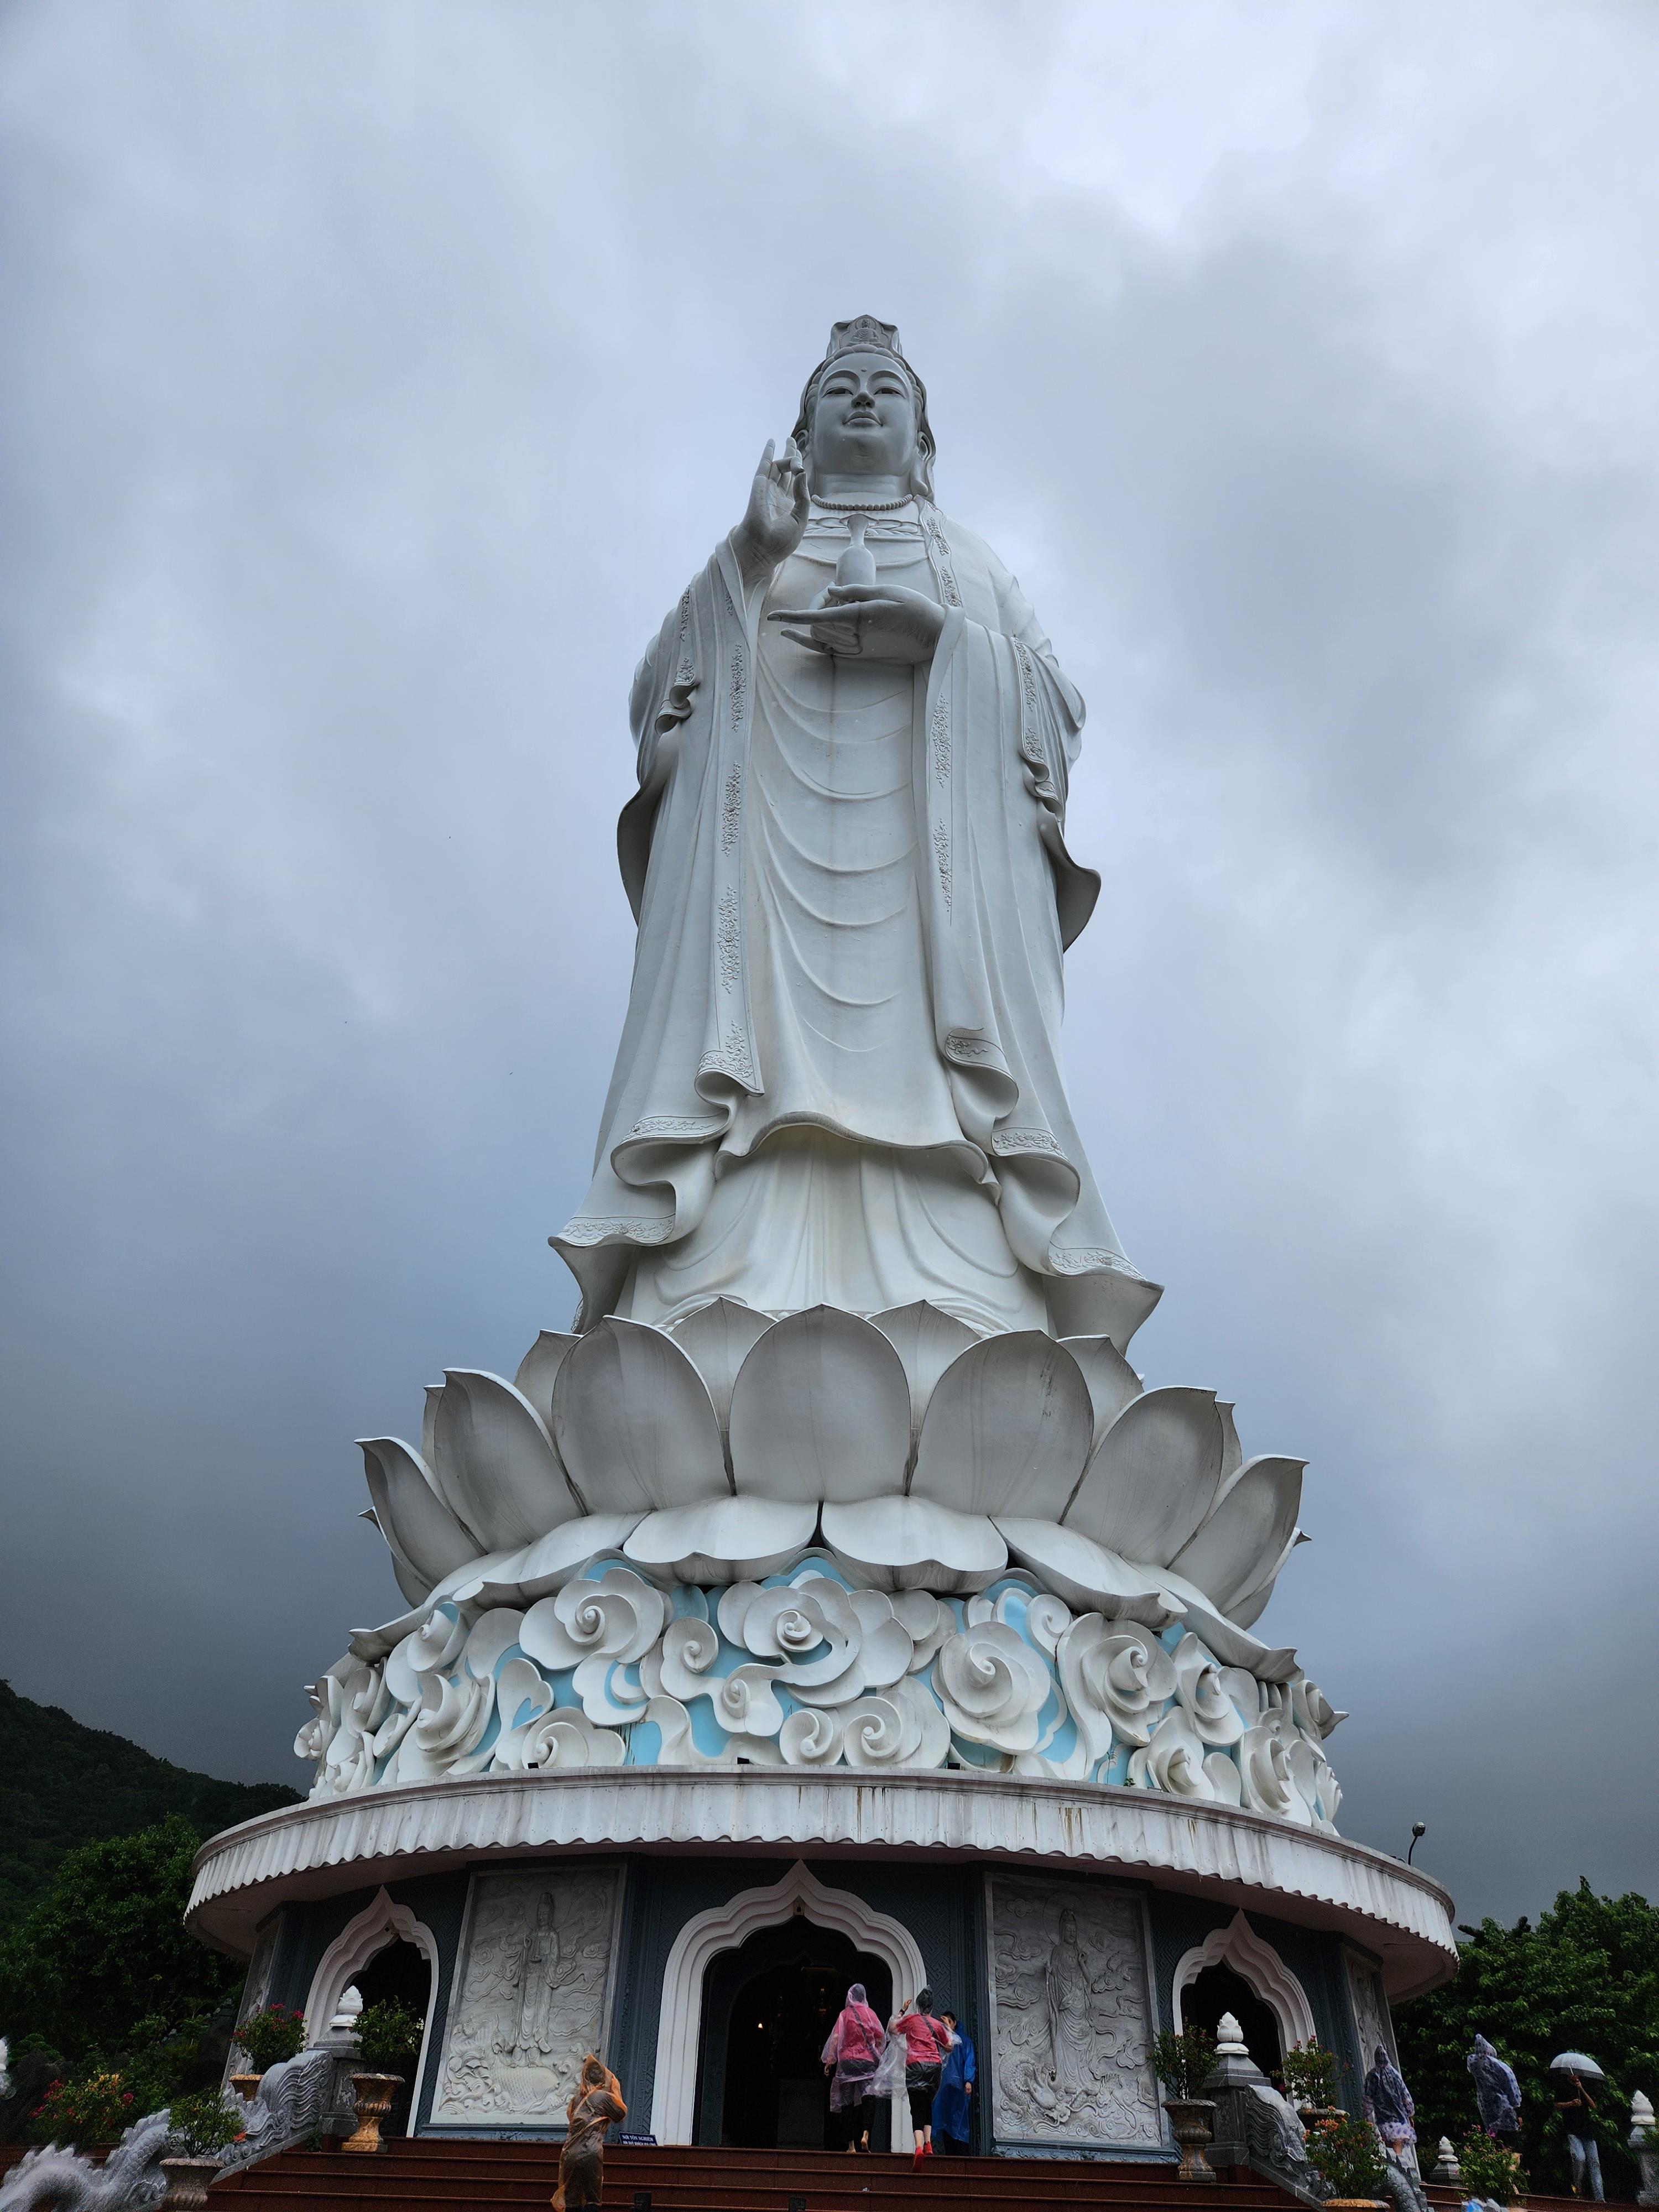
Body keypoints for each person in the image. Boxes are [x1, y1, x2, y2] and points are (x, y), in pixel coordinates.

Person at [555, 315, 1160, 1348]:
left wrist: (942, 643)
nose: (865, 400)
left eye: (887, 389)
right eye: (840, 390)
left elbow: (1057, 712)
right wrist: (749, 556)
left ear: (923, 440)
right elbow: (657, 702)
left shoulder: (971, 563)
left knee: (937, 1100)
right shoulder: (755, 551)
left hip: (935, 920)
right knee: (748, 1099)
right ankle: (713, 1276)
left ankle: (972, 1295)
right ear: (803, 433)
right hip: (760, 905)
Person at [551, 2053, 625, 2212]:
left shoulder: (576, 2100)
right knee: (593, 2199)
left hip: (570, 2154)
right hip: (591, 2152)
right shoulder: (603, 2097)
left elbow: (572, 2119)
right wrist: (615, 2089)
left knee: (572, 2201)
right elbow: (620, 2114)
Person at [821, 1981, 886, 2154]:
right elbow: (881, 2037)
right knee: (869, 2098)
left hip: (847, 2063)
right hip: (867, 2062)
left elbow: (836, 2039)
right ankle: (865, 2134)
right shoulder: (870, 2014)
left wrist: (830, 2060)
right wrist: (876, 2051)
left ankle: (851, 2145)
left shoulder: (844, 2015)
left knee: (847, 2103)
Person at [890, 1987, 953, 2166]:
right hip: (934, 2068)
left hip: (915, 2067)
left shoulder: (911, 2020)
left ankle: (918, 2148)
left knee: (917, 2107)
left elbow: (893, 2029)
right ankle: (928, 2144)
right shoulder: (936, 2024)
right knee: (927, 2105)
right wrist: (948, 2028)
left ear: (918, 2005)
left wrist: (902, 2011)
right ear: (931, 2007)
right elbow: (949, 2047)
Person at [931, 2008, 976, 2156]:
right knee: (945, 2121)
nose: (947, 2024)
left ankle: (961, 2154)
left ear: (955, 2023)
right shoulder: (941, 2041)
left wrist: (968, 2081)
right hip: (944, 2087)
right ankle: (950, 2154)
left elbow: (969, 2061)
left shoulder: (963, 2041)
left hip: (958, 2087)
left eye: (949, 2021)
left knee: (959, 2120)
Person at [1555, 2068, 1603, 2201]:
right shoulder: (1562, 2087)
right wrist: (1571, 2104)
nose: (1575, 2076)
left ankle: (1600, 2197)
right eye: (1573, 2073)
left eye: (1577, 2074)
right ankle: (1577, 2185)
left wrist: (1581, 2088)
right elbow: (1557, 2106)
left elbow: (1593, 2106)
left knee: (1594, 2163)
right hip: (1572, 2129)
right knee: (1579, 2158)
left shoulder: (1583, 2085)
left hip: (1587, 2130)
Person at [1364, 2043, 1418, 2159]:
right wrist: (1410, 2114)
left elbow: (1368, 2101)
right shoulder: (1394, 2075)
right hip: (1398, 2118)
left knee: (1390, 2146)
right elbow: (1406, 2096)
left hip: (1384, 2119)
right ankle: (1398, 2163)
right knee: (1397, 2145)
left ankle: (1396, 2163)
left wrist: (1367, 2117)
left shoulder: (1372, 2076)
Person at [1467, 2035, 1522, 2147]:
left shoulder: (1475, 2066)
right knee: (1510, 2144)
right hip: (1505, 2110)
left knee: (1493, 2142)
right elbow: (1512, 2088)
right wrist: (1518, 2111)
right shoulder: (1499, 2067)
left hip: (1486, 2111)